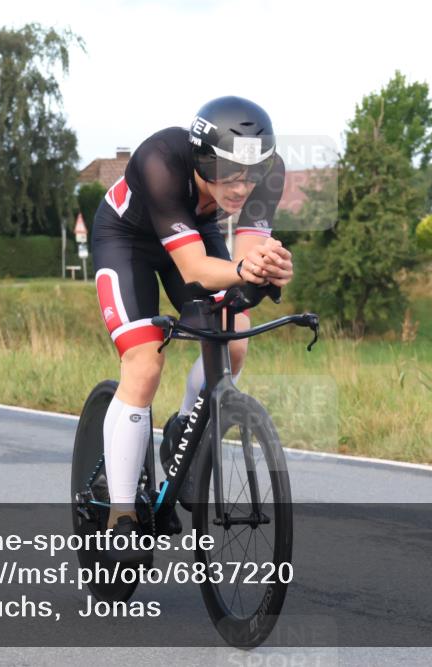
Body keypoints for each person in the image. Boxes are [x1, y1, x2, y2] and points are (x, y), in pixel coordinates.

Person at [91, 96, 294, 562]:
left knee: (234, 337)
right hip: (129, 240)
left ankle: (185, 425)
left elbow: (248, 253)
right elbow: (195, 269)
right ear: (203, 160)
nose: (242, 188)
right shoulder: (161, 159)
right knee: (144, 362)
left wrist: (271, 267)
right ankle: (121, 517)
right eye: (230, 175)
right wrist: (247, 270)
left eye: (251, 176)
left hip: (193, 233)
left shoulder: (270, 168)